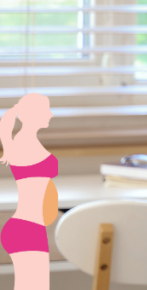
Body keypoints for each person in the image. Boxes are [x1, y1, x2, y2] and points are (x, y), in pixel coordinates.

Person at [0, 93, 58, 290]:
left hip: (31, 227)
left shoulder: (26, 140)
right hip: (27, 229)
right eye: (46, 110)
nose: (50, 114)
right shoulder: (26, 143)